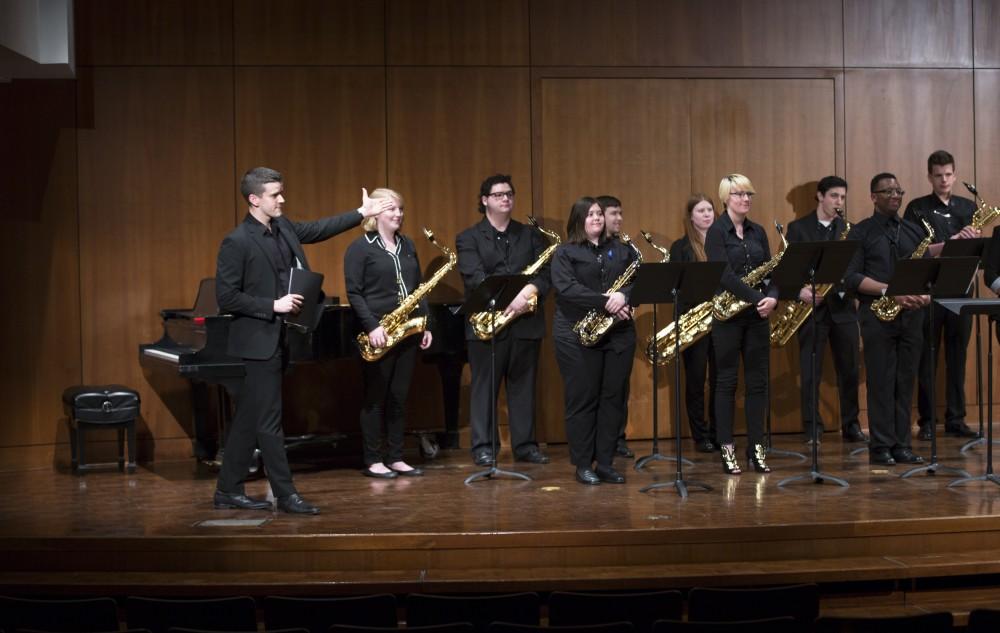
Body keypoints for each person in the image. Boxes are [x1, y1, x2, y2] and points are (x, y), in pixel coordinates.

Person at [213, 166, 391, 514]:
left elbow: (319, 228)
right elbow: (226, 297)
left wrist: (361, 214)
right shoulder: (237, 241)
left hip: (280, 339)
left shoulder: (284, 228)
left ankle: (227, 490)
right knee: (268, 421)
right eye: (274, 194)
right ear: (254, 199)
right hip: (257, 342)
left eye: (281, 192)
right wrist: (272, 305)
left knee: (250, 417)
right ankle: (285, 493)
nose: (282, 199)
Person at [456, 174, 552, 466]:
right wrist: (510, 298)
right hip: (488, 323)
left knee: (524, 388)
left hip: (525, 321)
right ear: (485, 200)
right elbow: (474, 277)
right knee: (484, 388)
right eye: (498, 195)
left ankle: (525, 446)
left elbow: (546, 272)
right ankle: (484, 447)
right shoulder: (468, 238)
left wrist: (530, 292)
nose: (505, 198)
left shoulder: (531, 235)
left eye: (509, 193)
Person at [344, 188, 432, 479]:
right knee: (375, 397)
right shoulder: (360, 248)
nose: (398, 214)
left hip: (407, 331)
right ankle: (373, 459)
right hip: (378, 332)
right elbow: (354, 293)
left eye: (400, 209)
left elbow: (419, 287)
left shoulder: (407, 245)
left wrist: (424, 324)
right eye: (391, 209)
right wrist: (372, 326)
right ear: (375, 214)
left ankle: (395, 457)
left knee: (399, 396)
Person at [844, 173, 929, 466]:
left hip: (911, 316)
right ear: (873, 197)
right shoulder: (860, 232)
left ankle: (902, 444)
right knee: (881, 382)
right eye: (888, 191)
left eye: (898, 190)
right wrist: (890, 292)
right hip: (876, 315)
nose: (895, 195)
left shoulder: (914, 231)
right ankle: (880, 447)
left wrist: (925, 295)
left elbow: (929, 273)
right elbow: (852, 277)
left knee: (905, 382)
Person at [551, 197, 637, 484]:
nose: (597, 218)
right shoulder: (565, 252)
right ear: (578, 220)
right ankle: (583, 463)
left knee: (613, 399)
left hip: (618, 334)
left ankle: (606, 462)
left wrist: (625, 295)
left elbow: (635, 280)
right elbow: (566, 289)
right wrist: (605, 301)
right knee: (583, 400)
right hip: (576, 334)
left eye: (599, 213)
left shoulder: (621, 250)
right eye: (590, 215)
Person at [904, 150, 981, 440]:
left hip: (962, 290)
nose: (944, 180)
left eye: (948, 174)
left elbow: (977, 251)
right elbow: (915, 251)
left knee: (958, 356)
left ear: (955, 174)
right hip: (930, 291)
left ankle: (956, 419)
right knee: (927, 356)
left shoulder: (967, 206)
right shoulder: (917, 208)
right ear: (929, 177)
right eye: (938, 175)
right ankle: (926, 421)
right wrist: (951, 242)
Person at [705, 174, 779, 474]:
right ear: (726, 198)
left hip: (757, 316)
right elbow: (723, 275)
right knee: (726, 383)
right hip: (729, 317)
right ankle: (726, 447)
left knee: (758, 383)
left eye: (749, 194)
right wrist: (755, 297)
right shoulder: (716, 232)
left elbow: (771, 269)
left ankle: (757, 447)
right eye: (739, 194)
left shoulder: (758, 231)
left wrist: (772, 296)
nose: (745, 199)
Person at [785, 176, 866, 444]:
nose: (838, 202)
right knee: (810, 371)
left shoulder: (850, 229)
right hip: (811, 310)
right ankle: (812, 427)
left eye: (842, 197)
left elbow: (855, 267)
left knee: (850, 369)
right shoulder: (797, 228)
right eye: (833, 196)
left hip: (842, 308)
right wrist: (801, 291)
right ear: (820, 196)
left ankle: (851, 425)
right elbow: (788, 269)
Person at [669, 194, 719, 454]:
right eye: (701, 210)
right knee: (697, 380)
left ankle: (719, 432)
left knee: (722, 380)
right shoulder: (681, 247)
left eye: (710, 209)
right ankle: (701, 436)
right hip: (695, 321)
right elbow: (679, 287)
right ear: (691, 216)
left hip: (723, 319)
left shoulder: (724, 243)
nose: (707, 214)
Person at [597, 194, 634, 459]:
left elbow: (637, 282)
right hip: (594, 326)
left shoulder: (628, 249)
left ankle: (618, 438)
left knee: (619, 388)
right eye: (613, 213)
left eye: (620, 213)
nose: (619, 218)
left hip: (621, 326)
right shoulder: (586, 248)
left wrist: (629, 302)